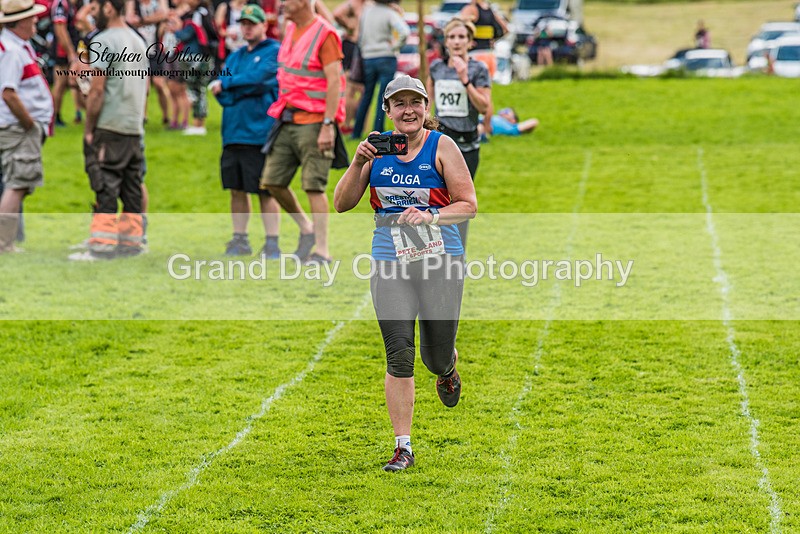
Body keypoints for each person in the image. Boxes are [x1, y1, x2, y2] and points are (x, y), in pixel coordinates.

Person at [333, 75, 477, 472]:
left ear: (426, 107)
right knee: (399, 353)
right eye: (399, 103)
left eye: (415, 102)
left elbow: (468, 205)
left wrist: (430, 215)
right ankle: (403, 446)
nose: (408, 110)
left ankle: (447, 368)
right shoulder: (376, 150)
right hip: (389, 260)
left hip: (439, 259)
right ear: (388, 111)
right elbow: (341, 204)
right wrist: (359, 160)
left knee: (434, 354)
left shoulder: (441, 146)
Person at [259, 0, 346, 264]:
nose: (282, 4)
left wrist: (328, 125)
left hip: (315, 121)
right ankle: (307, 228)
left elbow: (334, 82)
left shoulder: (325, 33)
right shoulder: (289, 28)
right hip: (287, 117)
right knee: (271, 181)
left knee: (313, 186)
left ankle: (322, 251)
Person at [69, 0, 148, 261]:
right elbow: (144, 87)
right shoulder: (138, 40)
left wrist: (89, 127)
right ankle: (131, 243)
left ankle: (101, 246)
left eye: (96, 8)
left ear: (109, 8)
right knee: (131, 187)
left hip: (109, 124)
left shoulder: (102, 40)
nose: (93, 14)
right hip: (133, 127)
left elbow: (98, 89)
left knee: (105, 184)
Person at [208, 4, 283, 257]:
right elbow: (222, 93)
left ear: (264, 25)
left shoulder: (275, 51)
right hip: (232, 132)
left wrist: (228, 84)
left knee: (265, 189)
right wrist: (236, 88)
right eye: (244, 24)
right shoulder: (235, 56)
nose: (247, 28)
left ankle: (272, 242)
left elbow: (261, 79)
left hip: (259, 132)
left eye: (252, 23)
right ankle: (240, 239)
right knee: (236, 188)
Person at [426, 17, 490, 247]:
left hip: (467, 144)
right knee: (436, 197)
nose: (456, 42)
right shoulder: (437, 67)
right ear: (445, 42)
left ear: (470, 42)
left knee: (461, 201)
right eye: (451, 37)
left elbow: (484, 106)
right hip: (441, 141)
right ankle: (434, 251)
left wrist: (465, 81)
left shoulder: (478, 69)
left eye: (461, 37)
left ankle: (456, 252)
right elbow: (428, 102)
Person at [0, 0, 53, 253]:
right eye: (32, 18)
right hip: (19, 129)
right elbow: (8, 93)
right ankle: (4, 243)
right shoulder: (12, 50)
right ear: (20, 21)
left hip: (18, 127)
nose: (35, 21)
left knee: (17, 182)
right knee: (17, 183)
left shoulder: (18, 46)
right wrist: (30, 124)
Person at [350, 0, 409, 139]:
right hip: (386, 57)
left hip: (368, 58)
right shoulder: (389, 13)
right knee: (383, 96)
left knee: (366, 95)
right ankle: (378, 131)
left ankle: (356, 132)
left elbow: (361, 36)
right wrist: (395, 47)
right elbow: (404, 32)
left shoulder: (366, 11)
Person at [167, 0, 217, 135]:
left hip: (197, 58)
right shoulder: (203, 13)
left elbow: (187, 34)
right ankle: (197, 124)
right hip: (200, 58)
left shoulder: (198, 15)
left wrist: (176, 30)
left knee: (197, 90)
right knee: (197, 90)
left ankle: (199, 125)